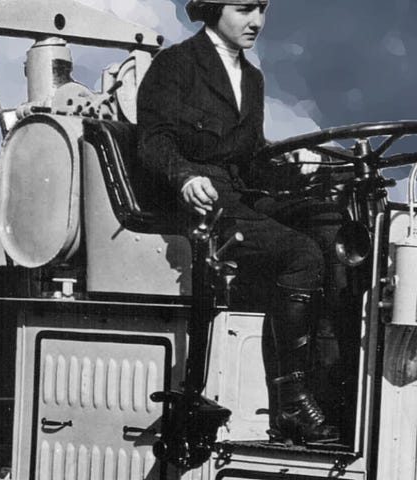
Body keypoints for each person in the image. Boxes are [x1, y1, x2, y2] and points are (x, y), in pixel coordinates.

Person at [136, 0, 343, 445]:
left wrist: (295, 164)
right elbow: (154, 140)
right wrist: (184, 176)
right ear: (212, 9)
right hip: (200, 205)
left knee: (330, 226)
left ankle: (327, 382)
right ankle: (289, 399)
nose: (257, 22)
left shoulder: (251, 77)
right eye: (245, 9)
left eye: (262, 10)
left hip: (242, 198)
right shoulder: (175, 65)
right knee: (300, 253)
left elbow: (250, 162)